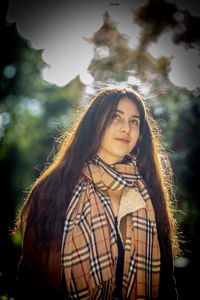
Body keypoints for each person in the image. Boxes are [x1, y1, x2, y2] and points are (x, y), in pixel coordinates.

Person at [15, 86, 179, 300]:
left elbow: (166, 282)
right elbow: (30, 278)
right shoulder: (54, 188)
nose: (126, 128)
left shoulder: (148, 194)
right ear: (95, 124)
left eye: (134, 121)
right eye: (115, 117)